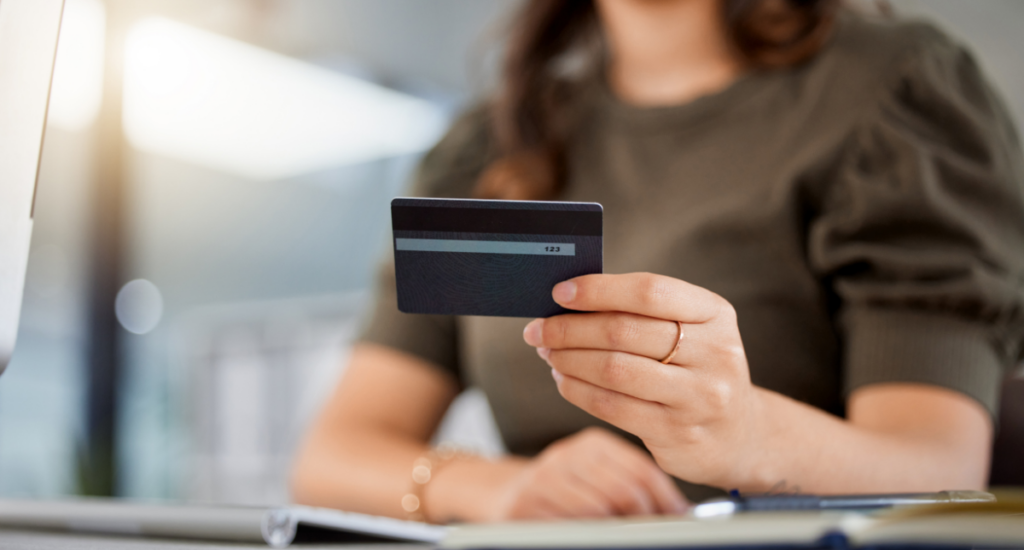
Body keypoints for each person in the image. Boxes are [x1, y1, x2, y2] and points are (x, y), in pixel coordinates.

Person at [291, 0, 1024, 523]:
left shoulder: (891, 92)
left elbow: (939, 469)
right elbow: (334, 457)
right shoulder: (489, 143)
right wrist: (500, 489)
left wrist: (744, 433)